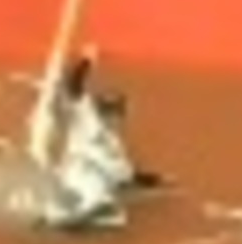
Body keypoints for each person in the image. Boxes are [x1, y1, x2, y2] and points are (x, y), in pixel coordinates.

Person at [41, 47, 166, 230]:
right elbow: (74, 86)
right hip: (76, 182)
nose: (115, 117)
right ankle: (67, 214)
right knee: (111, 212)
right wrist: (86, 61)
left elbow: (131, 177)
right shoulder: (88, 118)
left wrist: (156, 180)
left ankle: (63, 211)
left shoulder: (115, 148)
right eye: (114, 111)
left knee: (113, 212)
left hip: (74, 182)